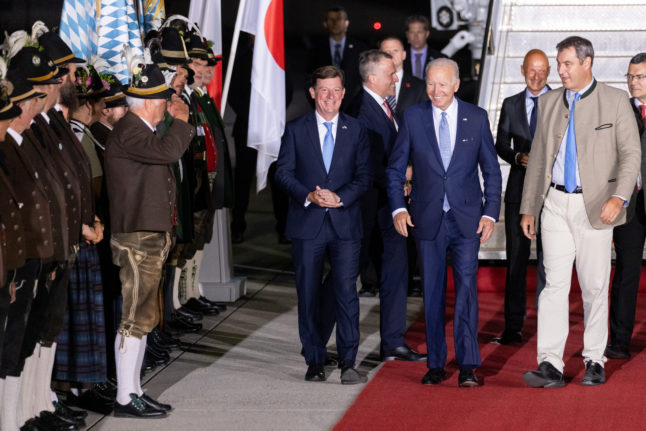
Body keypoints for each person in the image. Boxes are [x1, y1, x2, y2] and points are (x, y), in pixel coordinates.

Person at [520, 36, 641, 388]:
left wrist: (618, 198)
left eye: (567, 64)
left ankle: (594, 360)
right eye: (559, 64)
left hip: (596, 206)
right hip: (555, 205)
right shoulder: (548, 103)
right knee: (554, 285)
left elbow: (631, 154)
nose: (560, 70)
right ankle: (550, 364)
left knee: (593, 285)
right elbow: (540, 157)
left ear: (587, 63)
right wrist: (529, 207)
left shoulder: (616, 101)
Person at [386, 58, 502, 387]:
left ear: (456, 84)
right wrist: (398, 208)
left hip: (467, 221)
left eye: (442, 84)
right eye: (430, 83)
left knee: (466, 292)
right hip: (427, 219)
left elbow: (491, 171)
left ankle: (467, 365)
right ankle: (436, 363)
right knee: (433, 293)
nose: (435, 91)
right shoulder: (413, 117)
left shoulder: (476, 118)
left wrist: (490, 212)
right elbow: (395, 169)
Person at [105, 58, 194, 418]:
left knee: (144, 316)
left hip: (148, 234)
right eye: (162, 99)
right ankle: (126, 397)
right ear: (147, 102)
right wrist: (183, 123)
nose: (166, 105)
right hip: (137, 237)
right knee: (134, 318)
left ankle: (135, 389)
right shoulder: (131, 130)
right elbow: (168, 153)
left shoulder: (140, 129)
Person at [275, 66, 371, 385]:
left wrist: (339, 197)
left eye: (336, 90)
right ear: (313, 93)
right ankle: (315, 359)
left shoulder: (356, 130)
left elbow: (363, 177)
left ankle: (347, 361)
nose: (330, 97)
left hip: (345, 224)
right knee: (308, 294)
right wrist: (309, 196)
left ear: (344, 94)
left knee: (346, 293)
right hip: (308, 224)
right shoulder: (296, 129)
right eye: (323, 90)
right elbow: (283, 173)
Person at [356, 49, 426, 362]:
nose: (396, 78)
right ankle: (317, 343)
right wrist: (401, 183)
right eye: (390, 73)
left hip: (390, 207)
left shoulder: (386, 107)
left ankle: (393, 341)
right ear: (372, 78)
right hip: (367, 209)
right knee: (346, 277)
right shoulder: (360, 110)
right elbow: (367, 166)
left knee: (396, 271)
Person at [492, 49, 550, 345]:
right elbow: (500, 143)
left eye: (542, 71)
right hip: (518, 191)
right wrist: (517, 156)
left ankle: (549, 325)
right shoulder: (511, 104)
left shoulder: (563, 100)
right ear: (522, 70)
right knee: (516, 260)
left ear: (549, 71)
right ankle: (513, 326)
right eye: (531, 70)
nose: (536, 76)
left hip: (553, 192)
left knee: (551, 260)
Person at [379, 35, 428, 298]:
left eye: (395, 51)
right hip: (384, 168)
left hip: (412, 170)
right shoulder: (373, 87)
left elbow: (422, 132)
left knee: (413, 223)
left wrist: (411, 169)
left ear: (404, 54)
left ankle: (414, 277)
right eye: (385, 51)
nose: (391, 56)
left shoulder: (419, 87)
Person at [605, 53, 646, 360]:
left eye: (640, 77)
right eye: (630, 76)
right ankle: (619, 340)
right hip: (628, 203)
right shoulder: (618, 109)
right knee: (626, 271)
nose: (633, 82)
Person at [308, 6, 367, 116]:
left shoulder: (360, 48)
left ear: (346, 23)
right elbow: (309, 79)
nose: (335, 23)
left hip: (355, 109)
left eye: (339, 19)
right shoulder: (316, 49)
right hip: (325, 107)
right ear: (325, 24)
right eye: (331, 20)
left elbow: (364, 80)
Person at [403, 15, 445, 80]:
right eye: (412, 32)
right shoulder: (400, 59)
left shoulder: (440, 59)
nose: (415, 36)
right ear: (407, 35)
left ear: (427, 34)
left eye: (419, 32)